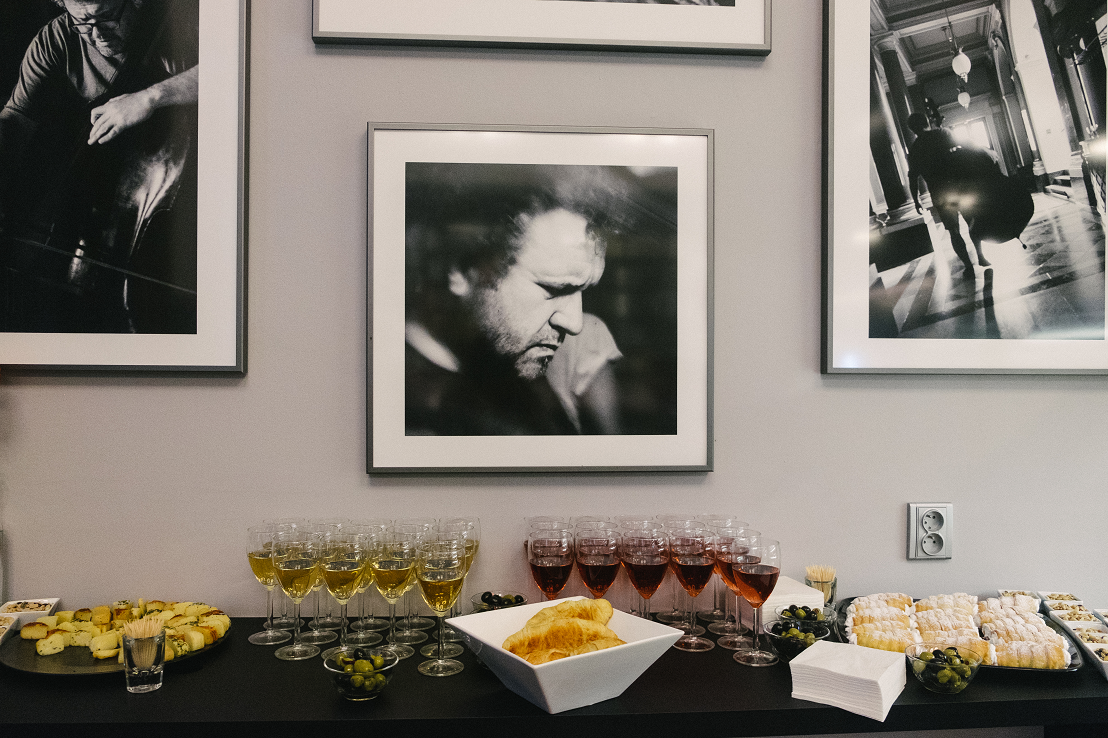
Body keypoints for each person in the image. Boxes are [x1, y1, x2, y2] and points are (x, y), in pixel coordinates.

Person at [0, 0, 199, 332]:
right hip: (92, 210)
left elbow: (232, 68)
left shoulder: (174, 23)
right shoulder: (56, 38)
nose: (97, 35)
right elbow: (18, 117)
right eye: (83, 23)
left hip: (175, 214)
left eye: (107, 18)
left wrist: (150, 97)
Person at [404, 163, 631, 436]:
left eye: (583, 291)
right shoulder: (402, 405)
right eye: (554, 289)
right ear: (464, 273)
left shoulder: (507, 374)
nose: (574, 324)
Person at [905, 112, 992, 276]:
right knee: (972, 223)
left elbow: (913, 177)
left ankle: (968, 266)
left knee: (954, 232)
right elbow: (967, 148)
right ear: (927, 122)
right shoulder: (943, 133)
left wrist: (916, 200)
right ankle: (981, 257)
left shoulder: (915, 149)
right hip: (960, 188)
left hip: (940, 195)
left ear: (912, 129)